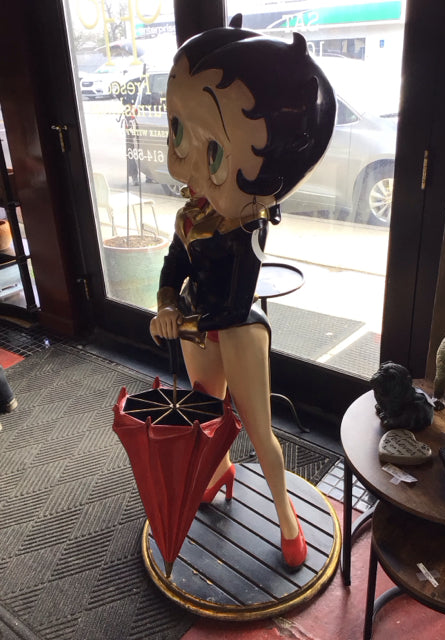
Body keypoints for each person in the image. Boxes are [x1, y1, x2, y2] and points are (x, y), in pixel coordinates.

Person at [149, 19, 335, 567]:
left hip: (233, 328)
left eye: (213, 153)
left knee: (259, 428)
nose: (189, 163)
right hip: (197, 328)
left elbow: (234, 298)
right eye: (179, 132)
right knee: (206, 413)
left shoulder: (246, 222)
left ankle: (286, 515)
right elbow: (173, 266)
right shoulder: (190, 215)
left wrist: (184, 319)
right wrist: (167, 304)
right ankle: (220, 471)